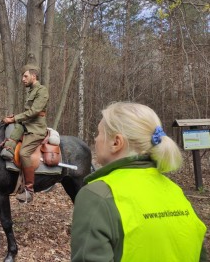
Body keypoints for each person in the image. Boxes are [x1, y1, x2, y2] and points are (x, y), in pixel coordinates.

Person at [71, 102, 207, 262]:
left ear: (116, 142)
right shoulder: (177, 192)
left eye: (99, 133)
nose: (95, 138)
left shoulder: (97, 195)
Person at [1, 64, 49, 203]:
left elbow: (34, 111)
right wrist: (14, 117)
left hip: (36, 129)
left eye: (25, 76)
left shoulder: (42, 90)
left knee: (23, 153)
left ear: (34, 76)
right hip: (27, 126)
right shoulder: (31, 91)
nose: (23, 79)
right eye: (23, 76)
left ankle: (29, 191)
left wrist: (14, 118)